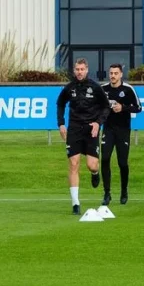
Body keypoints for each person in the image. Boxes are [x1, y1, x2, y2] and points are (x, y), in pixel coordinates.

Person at [56, 58, 110, 215]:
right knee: (73, 163)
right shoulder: (69, 88)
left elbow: (106, 106)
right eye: (77, 69)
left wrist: (98, 123)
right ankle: (75, 203)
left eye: (82, 69)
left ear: (86, 70)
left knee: (91, 165)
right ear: (74, 71)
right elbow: (60, 104)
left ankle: (95, 173)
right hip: (74, 129)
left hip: (90, 130)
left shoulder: (95, 87)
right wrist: (61, 124)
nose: (79, 72)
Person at [100, 63, 140, 206]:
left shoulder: (128, 90)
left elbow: (138, 108)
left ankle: (124, 191)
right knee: (104, 159)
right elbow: (97, 106)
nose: (113, 76)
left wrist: (123, 107)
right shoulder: (103, 89)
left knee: (122, 163)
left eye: (116, 73)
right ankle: (107, 193)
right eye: (111, 73)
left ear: (121, 74)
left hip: (123, 130)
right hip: (108, 129)